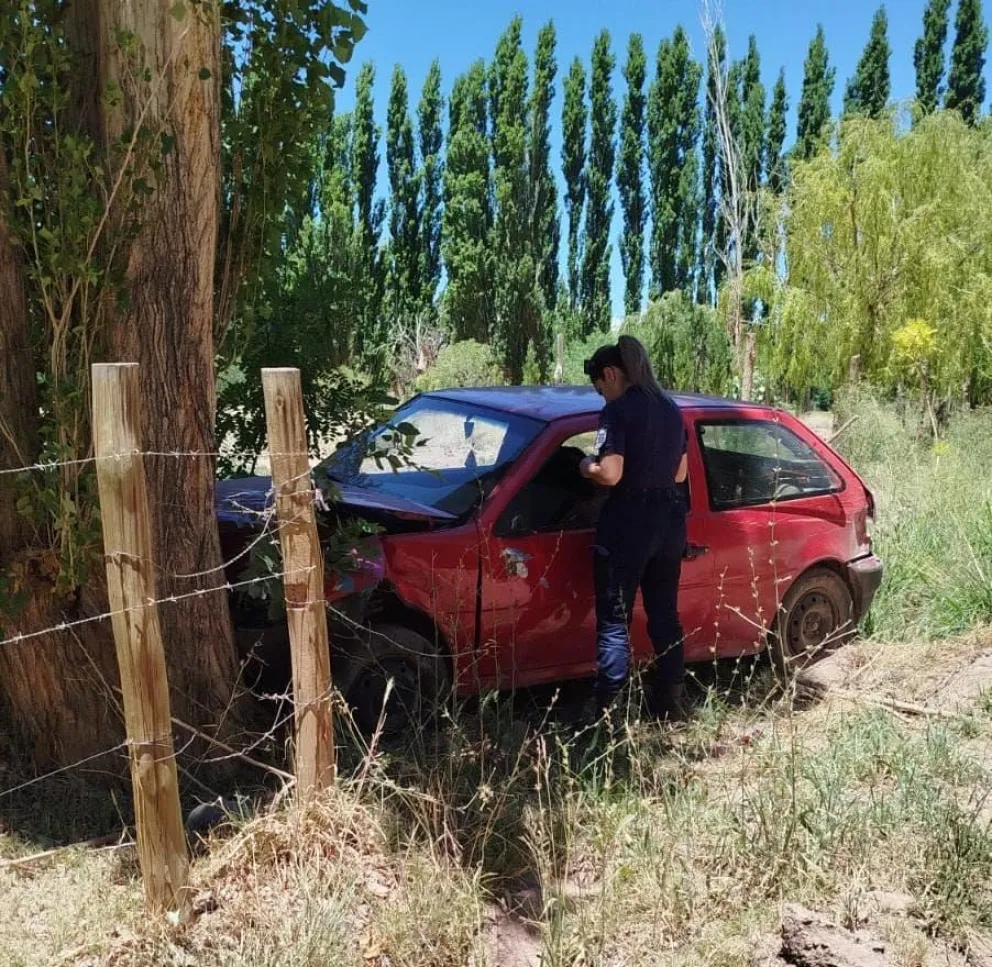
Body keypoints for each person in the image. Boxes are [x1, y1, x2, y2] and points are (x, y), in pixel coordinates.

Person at [579, 335, 689, 721]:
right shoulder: (671, 409)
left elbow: (611, 473)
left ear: (610, 374)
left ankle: (606, 712)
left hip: (628, 523)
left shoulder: (618, 411)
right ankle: (669, 703)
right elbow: (680, 472)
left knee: (614, 621)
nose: (601, 397)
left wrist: (584, 465)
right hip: (669, 521)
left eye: (599, 389)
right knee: (665, 614)